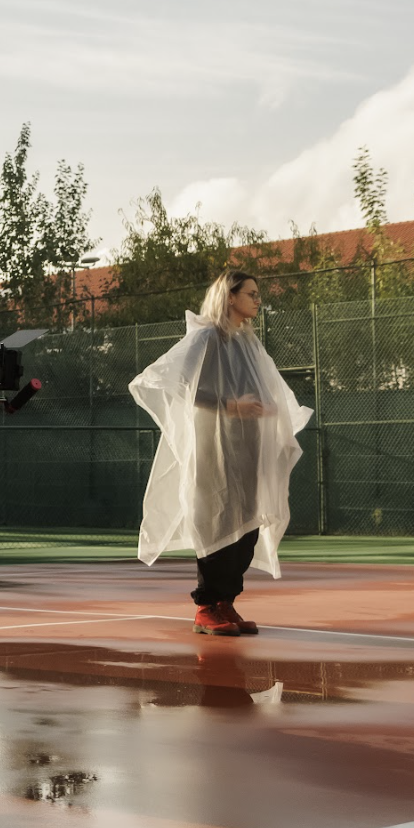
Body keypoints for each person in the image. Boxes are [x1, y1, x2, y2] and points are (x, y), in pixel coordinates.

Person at [129, 269, 311, 636]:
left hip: (248, 447)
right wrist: (231, 405)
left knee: (247, 524)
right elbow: (170, 381)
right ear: (230, 297)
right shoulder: (206, 337)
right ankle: (206, 607)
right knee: (216, 521)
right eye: (252, 294)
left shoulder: (248, 343)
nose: (258, 300)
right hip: (215, 447)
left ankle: (226, 601)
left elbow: (265, 389)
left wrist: (267, 408)